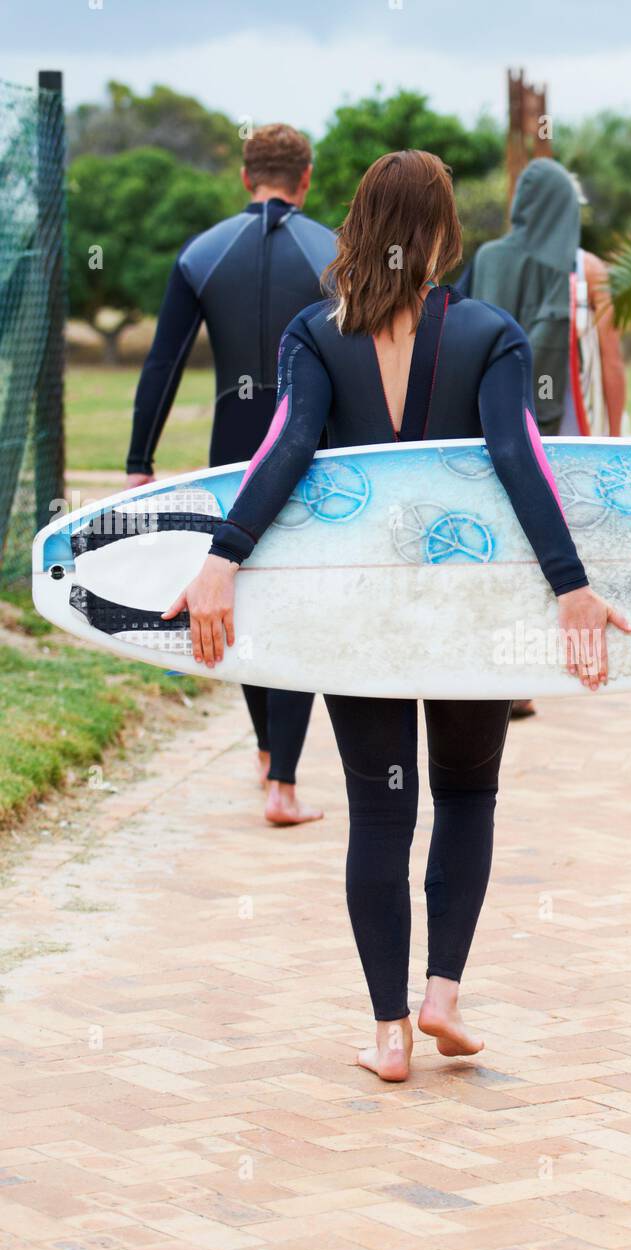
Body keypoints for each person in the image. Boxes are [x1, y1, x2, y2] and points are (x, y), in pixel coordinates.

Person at [163, 151, 631, 1082]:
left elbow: (286, 447)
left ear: (357, 227)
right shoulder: (490, 333)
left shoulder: (313, 332)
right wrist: (571, 585)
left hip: (362, 620)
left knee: (380, 818)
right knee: (467, 796)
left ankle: (388, 1035)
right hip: (466, 612)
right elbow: (517, 459)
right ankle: (443, 997)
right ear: (443, 232)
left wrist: (222, 556)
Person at [125, 123, 336, 826]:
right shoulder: (334, 253)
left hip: (232, 449)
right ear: (304, 180)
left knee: (232, 588)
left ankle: (262, 751)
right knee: (300, 599)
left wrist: (138, 463)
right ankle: (283, 781)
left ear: (246, 178)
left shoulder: (203, 253)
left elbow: (163, 363)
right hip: (311, 451)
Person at [459, 157, 627, 717]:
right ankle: (531, 671)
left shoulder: (487, 258)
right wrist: (616, 431)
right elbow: (610, 361)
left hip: (487, 418)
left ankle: (501, 675)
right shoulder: (590, 270)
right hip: (559, 425)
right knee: (549, 540)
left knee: (497, 536)